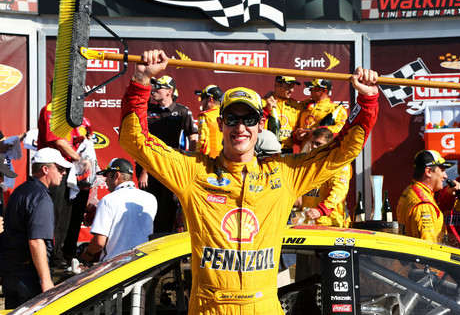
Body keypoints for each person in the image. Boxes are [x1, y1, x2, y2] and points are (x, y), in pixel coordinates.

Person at [119, 49, 378, 313]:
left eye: (249, 119)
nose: (240, 127)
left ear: (261, 124)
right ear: (221, 124)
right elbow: (135, 140)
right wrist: (141, 80)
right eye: (232, 118)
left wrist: (367, 100)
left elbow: (343, 149)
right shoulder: (194, 172)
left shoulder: (284, 172)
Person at [1, 148, 72, 308]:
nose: (64, 173)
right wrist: (46, 281)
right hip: (28, 276)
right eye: (60, 168)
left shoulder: (19, 191)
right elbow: (36, 242)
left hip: (11, 273)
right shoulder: (41, 198)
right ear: (45, 169)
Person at [136, 75, 198, 233]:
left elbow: (193, 139)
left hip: (170, 166)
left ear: (169, 91)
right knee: (148, 208)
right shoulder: (147, 110)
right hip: (148, 167)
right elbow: (141, 142)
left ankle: (166, 250)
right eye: (154, 87)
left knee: (167, 209)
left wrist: (186, 165)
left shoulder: (182, 111)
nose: (154, 90)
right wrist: (144, 170)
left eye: (159, 87)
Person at [37, 102, 86, 267]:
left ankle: (66, 256)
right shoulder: (52, 109)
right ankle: (53, 258)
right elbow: (58, 141)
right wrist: (80, 159)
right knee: (56, 215)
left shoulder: (74, 112)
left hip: (71, 170)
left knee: (71, 214)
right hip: (54, 169)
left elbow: (79, 137)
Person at [80, 158, 157, 263]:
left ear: (117, 175)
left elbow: (99, 242)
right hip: (144, 265)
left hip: (115, 267)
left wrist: (87, 254)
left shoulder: (108, 200)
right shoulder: (150, 198)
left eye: (107, 176)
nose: (105, 180)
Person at [397, 150, 453, 242]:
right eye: (442, 170)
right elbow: (427, 245)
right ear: (429, 171)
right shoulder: (423, 205)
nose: (445, 176)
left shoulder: (411, 190)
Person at [301, 127, 351, 227]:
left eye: (318, 143)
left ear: (330, 144)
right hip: (309, 222)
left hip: (331, 223)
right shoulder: (310, 162)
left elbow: (339, 191)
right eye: (312, 143)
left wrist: (321, 210)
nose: (314, 147)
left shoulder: (338, 163)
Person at [294, 79, 348, 152]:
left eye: (313, 89)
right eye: (310, 88)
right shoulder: (304, 105)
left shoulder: (336, 108)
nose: (310, 90)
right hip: (304, 153)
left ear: (324, 91)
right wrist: (297, 135)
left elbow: (341, 128)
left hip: (324, 152)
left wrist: (319, 131)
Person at [263, 76, 303, 153]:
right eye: (288, 86)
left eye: (292, 87)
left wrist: (298, 135)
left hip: (287, 150)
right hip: (266, 149)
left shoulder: (297, 106)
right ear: (277, 85)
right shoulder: (264, 102)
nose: (292, 90)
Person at [195, 84, 223, 158]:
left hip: (210, 160)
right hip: (226, 159)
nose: (201, 102)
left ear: (210, 99)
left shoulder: (205, 116)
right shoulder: (227, 114)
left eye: (202, 98)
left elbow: (203, 141)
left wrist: (198, 158)